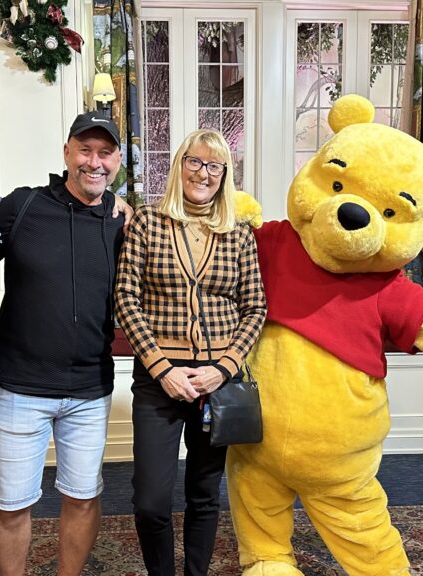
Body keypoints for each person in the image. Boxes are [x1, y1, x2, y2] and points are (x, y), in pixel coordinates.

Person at [114, 129, 267, 576]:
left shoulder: (238, 234)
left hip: (216, 383)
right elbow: (126, 298)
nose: (203, 173)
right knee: (150, 501)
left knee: (204, 493)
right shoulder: (147, 222)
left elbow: (255, 307)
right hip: (159, 380)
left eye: (214, 166)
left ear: (225, 176)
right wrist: (162, 369)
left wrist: (223, 367)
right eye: (195, 162)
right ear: (180, 166)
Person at [0, 111, 128, 576]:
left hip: (89, 389)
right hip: (18, 387)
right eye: (85, 150)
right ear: (67, 152)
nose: (95, 162)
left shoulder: (123, 222)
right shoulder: (22, 207)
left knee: (84, 497)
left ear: (118, 161)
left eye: (105, 153)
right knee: (10, 504)